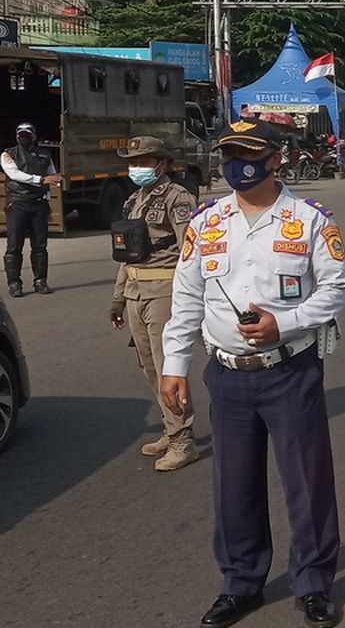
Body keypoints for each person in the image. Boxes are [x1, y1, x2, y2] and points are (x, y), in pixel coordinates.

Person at [161, 118, 345, 628]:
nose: (235, 165)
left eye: (247, 153)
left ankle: (312, 582)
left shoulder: (309, 219)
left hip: (289, 369)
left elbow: (335, 289)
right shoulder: (207, 222)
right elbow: (186, 299)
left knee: (306, 482)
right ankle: (241, 582)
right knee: (234, 485)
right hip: (227, 374)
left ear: (275, 158)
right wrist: (174, 366)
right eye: (229, 154)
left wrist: (283, 324)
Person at [109, 136, 199, 471]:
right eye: (133, 161)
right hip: (135, 289)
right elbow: (127, 255)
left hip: (164, 289)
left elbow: (191, 251)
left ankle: (183, 440)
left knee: (167, 367)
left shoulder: (178, 198)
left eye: (144, 161)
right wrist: (117, 300)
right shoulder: (134, 199)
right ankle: (170, 425)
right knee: (149, 366)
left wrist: (191, 296)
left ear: (160, 164)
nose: (137, 167)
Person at [2, 123, 62, 296]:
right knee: (14, 246)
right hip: (17, 204)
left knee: (40, 246)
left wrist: (50, 189)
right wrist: (41, 180)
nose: (24, 137)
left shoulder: (45, 154)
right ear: (16, 136)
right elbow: (14, 175)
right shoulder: (9, 154)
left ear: (34, 136)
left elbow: (52, 175)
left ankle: (40, 281)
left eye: (27, 134)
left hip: (38, 204)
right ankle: (14, 284)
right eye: (21, 134)